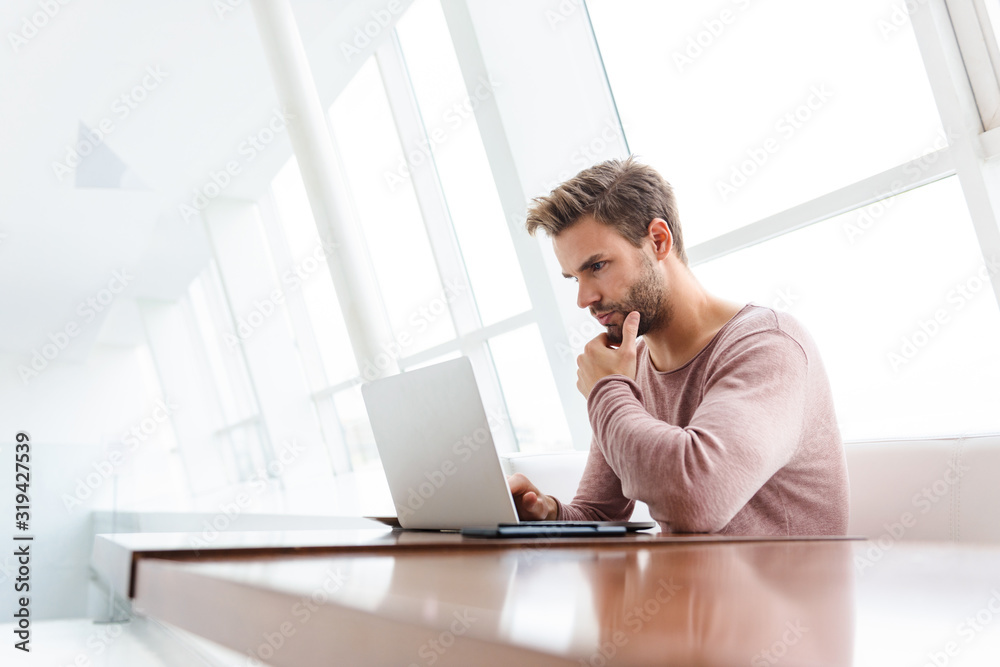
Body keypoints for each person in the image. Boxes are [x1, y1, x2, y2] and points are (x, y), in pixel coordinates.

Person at [508, 156, 849, 535]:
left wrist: (606, 391)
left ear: (658, 240)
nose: (584, 298)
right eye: (574, 278)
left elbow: (697, 501)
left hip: (780, 594)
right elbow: (601, 513)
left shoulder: (768, 345)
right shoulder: (628, 366)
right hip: (690, 590)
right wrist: (548, 513)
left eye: (598, 266)